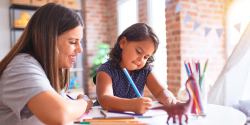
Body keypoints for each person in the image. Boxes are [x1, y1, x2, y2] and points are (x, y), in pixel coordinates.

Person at [0, 3, 93, 125]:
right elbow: (59, 113)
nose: (80, 49)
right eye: (73, 42)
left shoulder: (43, 69)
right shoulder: (21, 67)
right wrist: (84, 103)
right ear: (49, 39)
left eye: (79, 42)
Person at [93, 23, 180, 114]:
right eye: (138, 52)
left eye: (146, 57)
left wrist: (169, 98)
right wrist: (132, 105)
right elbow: (104, 99)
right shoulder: (106, 70)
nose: (141, 60)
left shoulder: (144, 71)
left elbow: (160, 91)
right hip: (104, 118)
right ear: (123, 43)